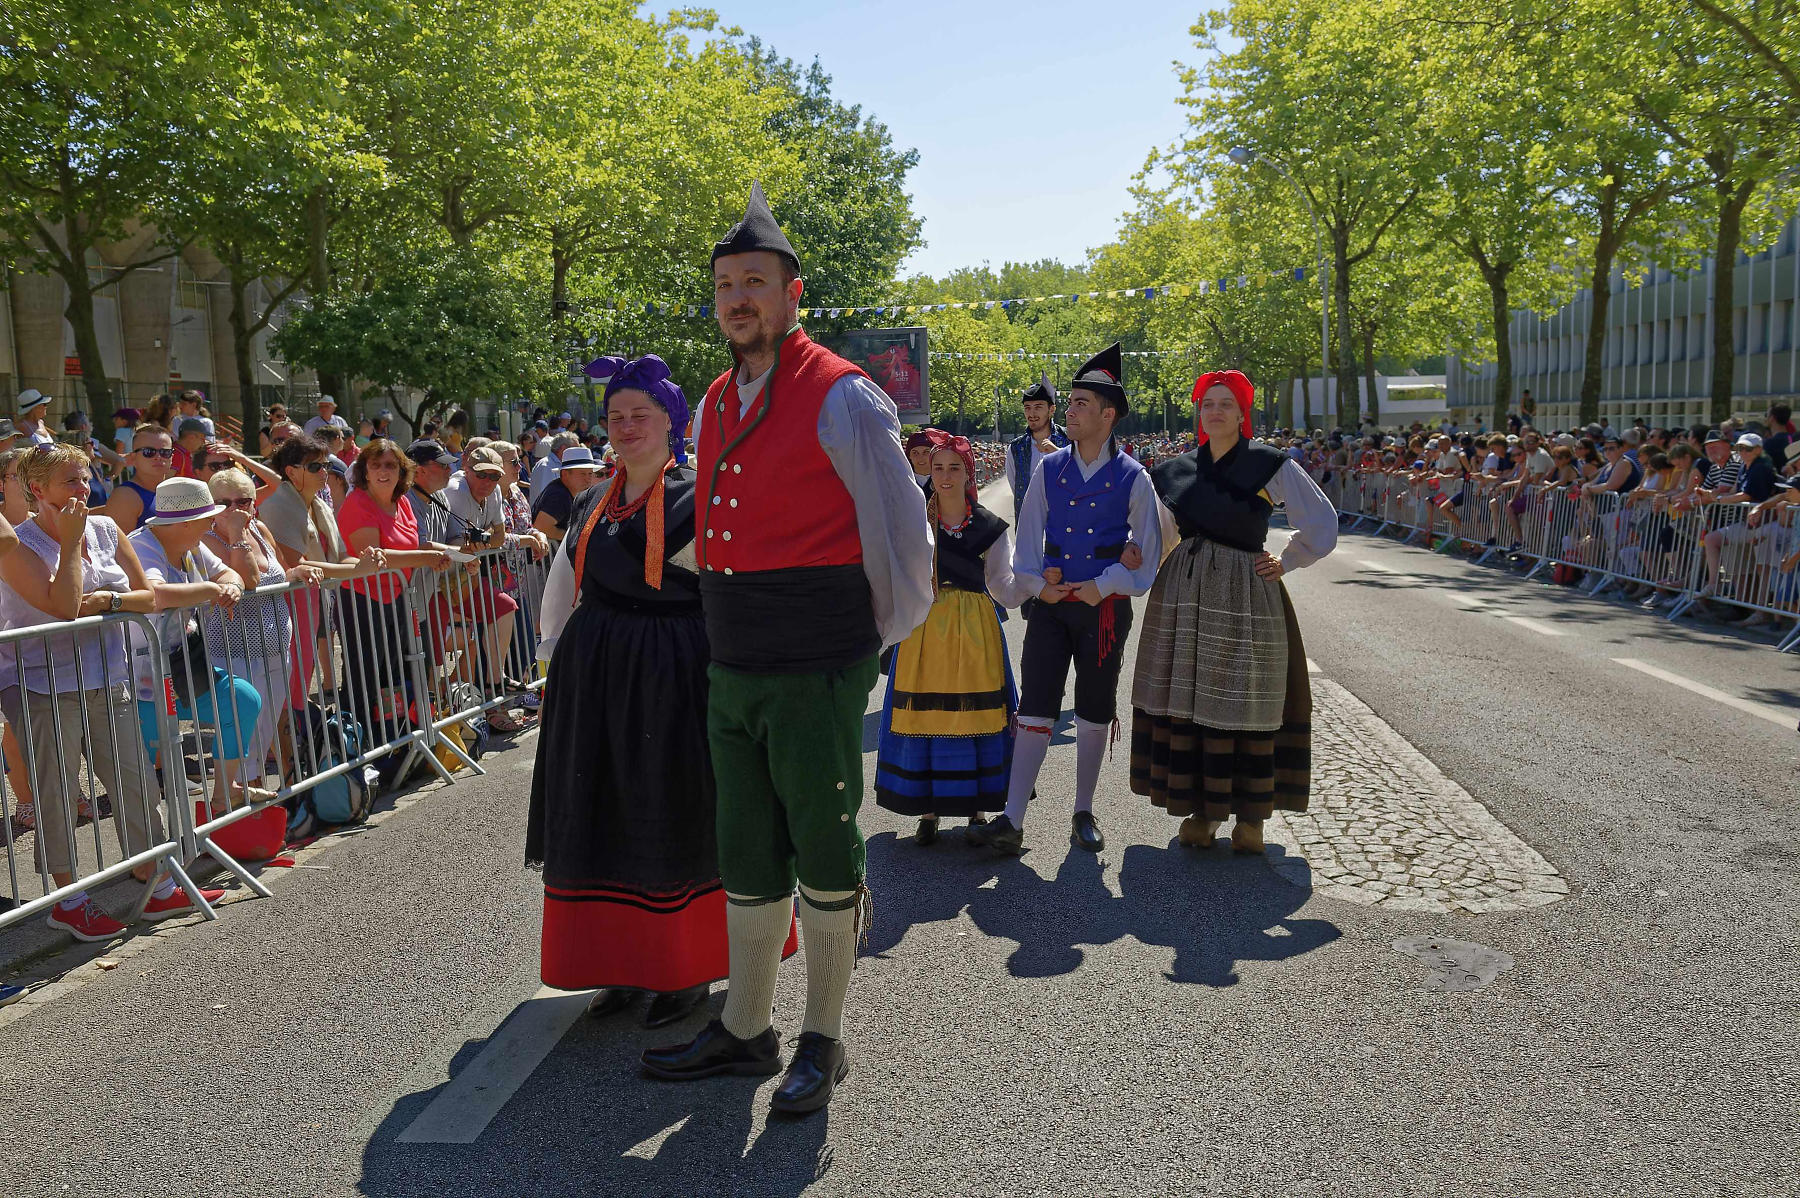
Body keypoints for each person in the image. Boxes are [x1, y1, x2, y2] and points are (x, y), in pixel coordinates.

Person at [640, 184, 933, 1117]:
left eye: (755, 282)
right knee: (747, 849)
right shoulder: (716, 402)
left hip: (816, 662)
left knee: (822, 843)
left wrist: (856, 651)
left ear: (793, 295)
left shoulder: (845, 396)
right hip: (734, 663)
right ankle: (745, 1029)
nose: (737, 299)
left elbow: (902, 543)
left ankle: (825, 1039)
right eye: (725, 284)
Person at [529, 353, 781, 1028]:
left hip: (677, 673)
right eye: (616, 416)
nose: (626, 426)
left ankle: (685, 969)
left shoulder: (701, 495)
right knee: (603, 809)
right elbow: (563, 587)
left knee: (674, 811)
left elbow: (735, 590)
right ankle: (618, 963)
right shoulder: (591, 498)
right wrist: (559, 659)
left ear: (672, 422)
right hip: (599, 675)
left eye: (641, 415)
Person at [0, 444, 223, 940]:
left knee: (134, 778)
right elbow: (62, 606)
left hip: (109, 674)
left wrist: (111, 599)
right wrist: (69, 544)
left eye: (85, 478)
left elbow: (150, 596)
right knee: (57, 790)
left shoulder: (105, 529)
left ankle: (154, 876)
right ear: (37, 490)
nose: (82, 490)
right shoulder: (20, 543)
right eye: (69, 482)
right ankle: (68, 897)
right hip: (42, 683)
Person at [1129, 370, 1337, 855]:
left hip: (1246, 591)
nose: (1215, 411)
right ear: (1199, 414)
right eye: (1207, 404)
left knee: (1245, 697)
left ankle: (1251, 820)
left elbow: (1322, 524)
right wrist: (1134, 566)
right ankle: (1203, 812)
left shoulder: (1270, 465)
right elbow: (1162, 536)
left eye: (1225, 404)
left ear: (1242, 415)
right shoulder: (1178, 469)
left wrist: (1288, 559)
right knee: (1193, 697)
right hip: (1185, 591)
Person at [967, 343, 1161, 857]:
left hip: (1103, 612)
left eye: (1078, 404)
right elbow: (1027, 545)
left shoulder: (1135, 478)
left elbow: (1151, 556)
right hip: (1051, 608)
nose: (1068, 412)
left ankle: (1083, 809)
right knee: (1036, 705)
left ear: (1107, 414)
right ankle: (1011, 819)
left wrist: (1106, 583)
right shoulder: (1048, 471)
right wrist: (1038, 585)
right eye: (1069, 402)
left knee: (1096, 707)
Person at [874, 433, 1029, 844]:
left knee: (974, 713)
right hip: (924, 627)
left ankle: (976, 808)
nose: (944, 476)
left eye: (953, 468)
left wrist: (1035, 581)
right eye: (938, 467)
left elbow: (1004, 585)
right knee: (924, 713)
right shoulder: (912, 522)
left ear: (968, 472)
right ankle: (928, 809)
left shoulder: (990, 528)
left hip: (975, 626)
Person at [127, 477, 274, 817]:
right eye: (209, 516)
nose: (213, 522)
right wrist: (213, 590)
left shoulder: (193, 544)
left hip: (184, 664)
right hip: (138, 679)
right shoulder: (143, 546)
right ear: (187, 522)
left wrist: (231, 588)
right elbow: (157, 595)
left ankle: (225, 796)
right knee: (144, 765)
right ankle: (150, 849)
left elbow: (230, 576)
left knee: (242, 699)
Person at [200, 468, 315, 791]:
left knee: (263, 737)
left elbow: (282, 571)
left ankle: (257, 810)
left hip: (277, 648)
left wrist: (300, 571)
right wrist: (236, 535)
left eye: (243, 501)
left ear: (255, 503)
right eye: (224, 502)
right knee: (242, 739)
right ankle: (237, 810)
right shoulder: (206, 540)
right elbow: (248, 580)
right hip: (234, 654)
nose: (235, 509)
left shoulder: (261, 529)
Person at [335, 440, 452, 754]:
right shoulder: (357, 502)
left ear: (402, 470)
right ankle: (360, 751)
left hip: (398, 599)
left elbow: (407, 549)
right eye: (376, 465)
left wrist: (433, 552)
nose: (383, 472)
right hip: (362, 600)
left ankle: (394, 746)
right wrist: (423, 558)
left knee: (397, 676)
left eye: (390, 465)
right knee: (365, 679)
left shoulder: (402, 502)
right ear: (364, 471)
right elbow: (375, 559)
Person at [1006, 375, 1070, 523]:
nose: (1032, 414)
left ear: (1051, 409)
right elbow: (1016, 489)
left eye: (1038, 407)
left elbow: (1084, 476)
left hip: (1066, 523)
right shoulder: (1016, 449)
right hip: (1029, 523)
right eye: (1027, 408)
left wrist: (1059, 453)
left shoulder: (1071, 439)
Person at [104, 423, 176, 532]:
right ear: (133, 458)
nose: (158, 457)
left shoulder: (175, 491)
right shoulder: (125, 496)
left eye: (165, 452)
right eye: (149, 452)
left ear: (171, 458)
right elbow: (116, 546)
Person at [530, 446, 600, 543]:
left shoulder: (569, 492)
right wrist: (574, 538)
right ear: (565, 474)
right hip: (549, 556)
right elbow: (542, 527)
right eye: (582, 474)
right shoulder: (559, 495)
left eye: (590, 474)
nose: (588, 479)